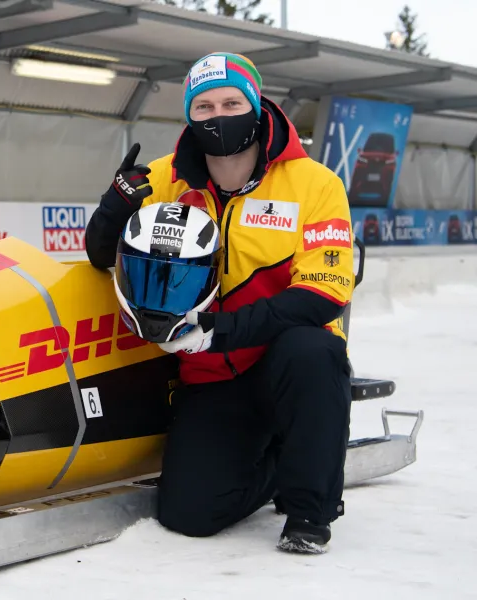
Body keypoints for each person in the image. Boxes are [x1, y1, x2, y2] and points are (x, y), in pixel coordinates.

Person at [85, 52, 355, 554]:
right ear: (189, 116)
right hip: (210, 372)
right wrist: (113, 208)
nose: (219, 116)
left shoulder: (315, 184)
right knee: (188, 514)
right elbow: (102, 254)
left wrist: (219, 329)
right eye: (204, 106)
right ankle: (277, 462)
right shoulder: (166, 177)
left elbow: (322, 296)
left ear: (255, 105)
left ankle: (309, 510)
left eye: (232, 102)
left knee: (312, 350)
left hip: (284, 362)